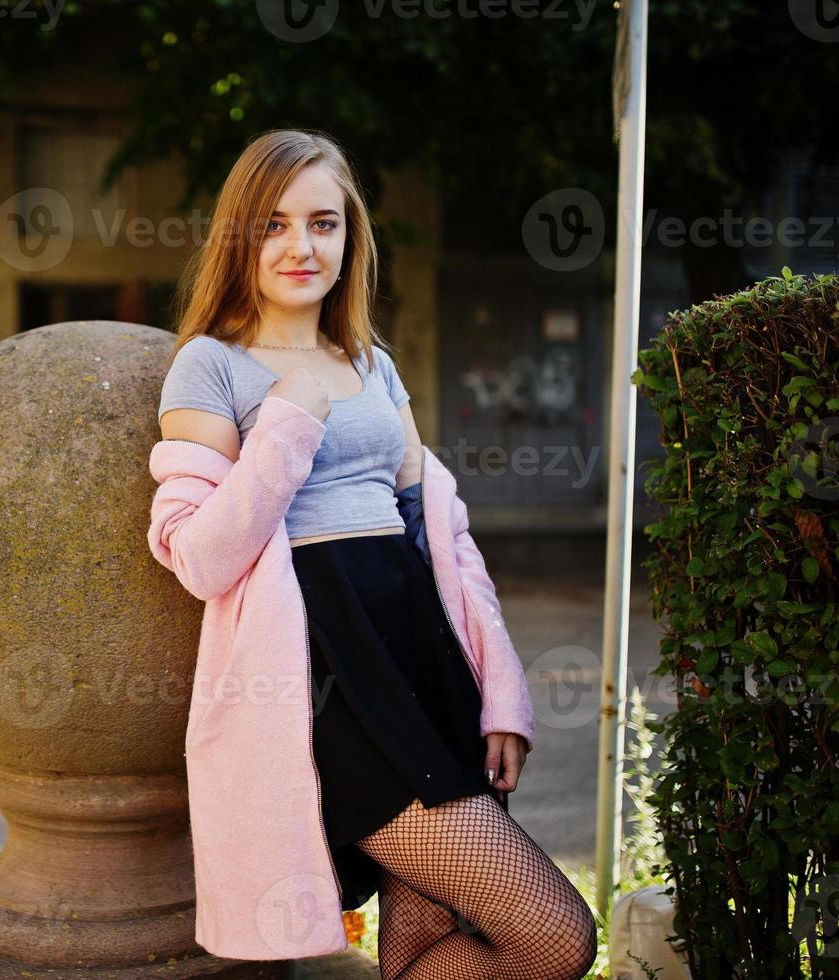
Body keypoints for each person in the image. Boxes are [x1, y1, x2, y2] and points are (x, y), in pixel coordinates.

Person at [155, 129, 597, 979]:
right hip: (325, 675)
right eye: (273, 225)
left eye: (322, 223)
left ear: (349, 236)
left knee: (423, 943)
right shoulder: (207, 368)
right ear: (238, 238)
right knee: (552, 938)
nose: (299, 246)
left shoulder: (372, 364)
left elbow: (441, 534)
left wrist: (499, 687)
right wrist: (286, 422)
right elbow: (199, 558)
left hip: (414, 648)